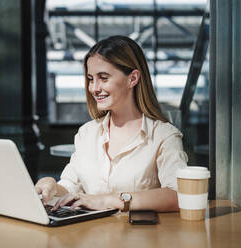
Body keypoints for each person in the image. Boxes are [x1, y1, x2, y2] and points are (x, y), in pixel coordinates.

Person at [35, 35, 188, 212]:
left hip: (139, 237)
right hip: (89, 236)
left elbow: (178, 195)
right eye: (91, 78)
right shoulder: (87, 133)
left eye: (104, 78)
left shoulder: (163, 135)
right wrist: (52, 186)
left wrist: (111, 200)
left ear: (133, 78)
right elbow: (70, 187)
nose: (94, 88)